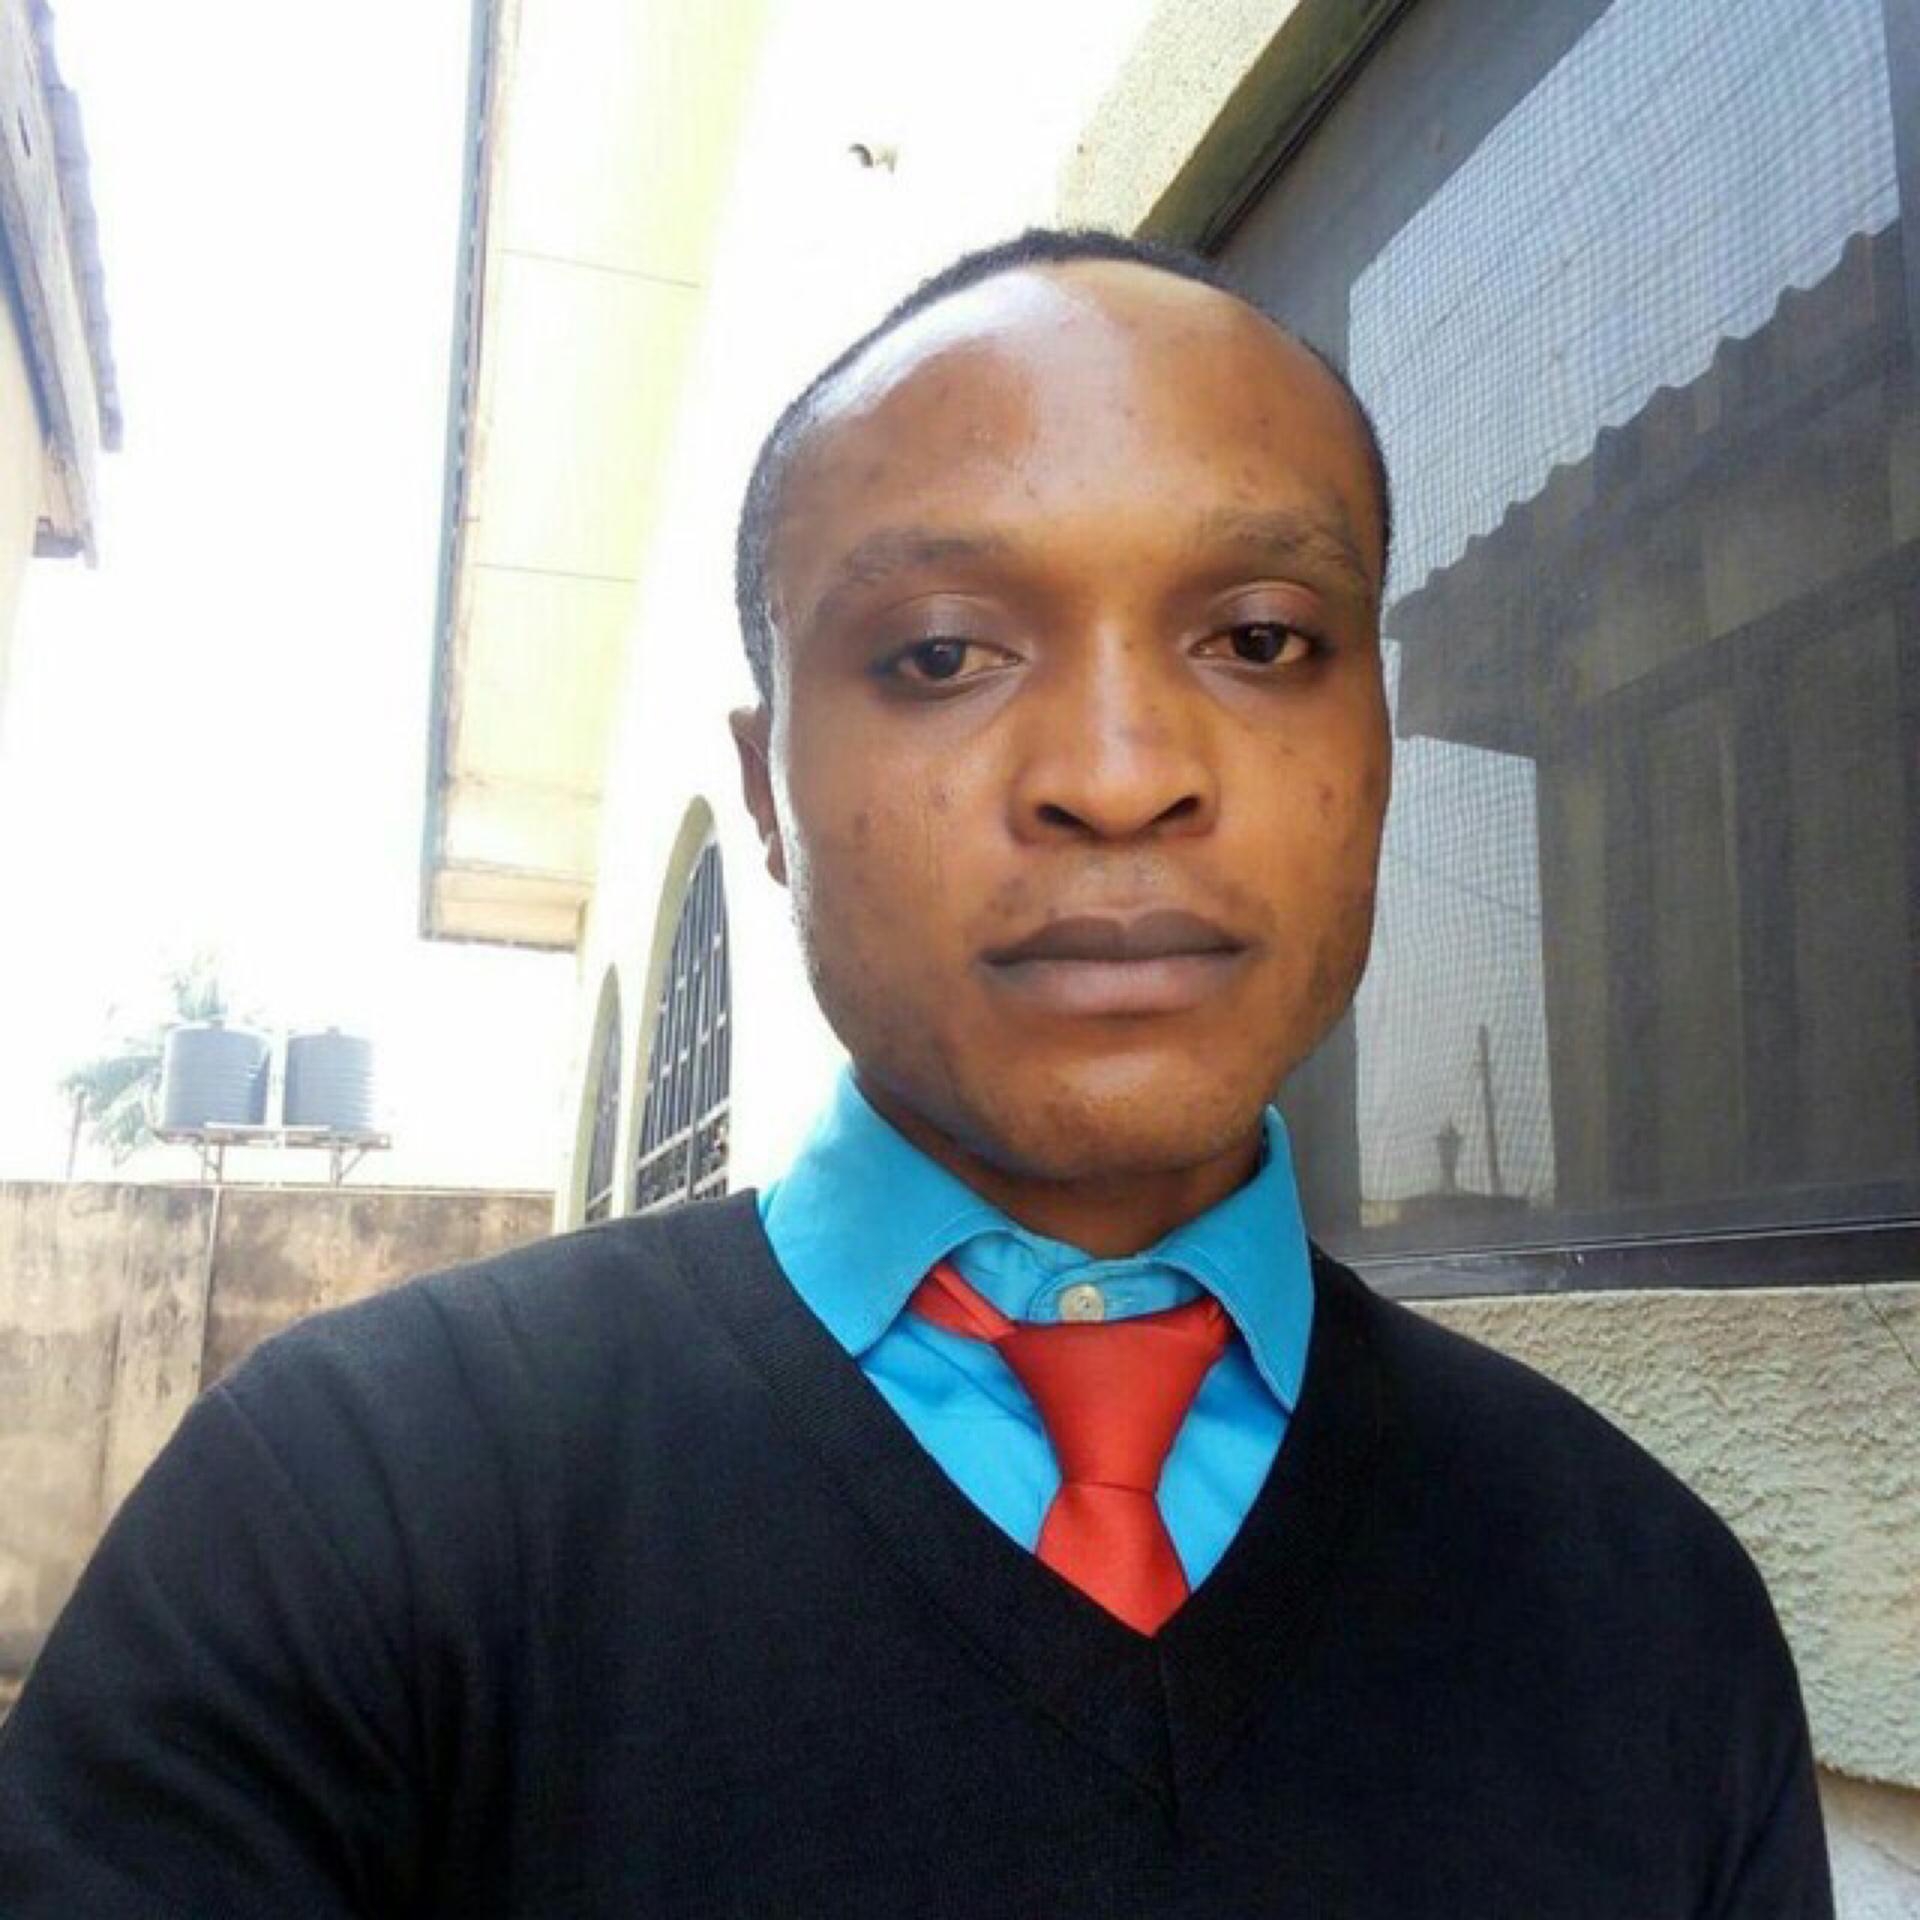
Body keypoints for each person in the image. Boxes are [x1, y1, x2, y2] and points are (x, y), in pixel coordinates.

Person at [0, 229, 1831, 1917]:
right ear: (769, 790)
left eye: (1260, 639)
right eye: (944, 653)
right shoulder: (353, 1516)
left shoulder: (1645, 1601)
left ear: (1378, 732)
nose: (1118, 774)